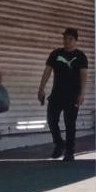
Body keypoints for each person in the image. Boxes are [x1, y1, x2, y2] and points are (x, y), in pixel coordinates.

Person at [38, 29, 88, 161]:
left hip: (73, 96)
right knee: (51, 120)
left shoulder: (80, 56)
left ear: (76, 40)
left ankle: (69, 152)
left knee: (70, 123)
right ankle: (59, 143)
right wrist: (41, 89)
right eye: (65, 38)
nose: (67, 41)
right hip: (56, 95)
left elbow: (84, 76)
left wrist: (82, 93)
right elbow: (47, 72)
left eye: (70, 39)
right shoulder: (55, 54)